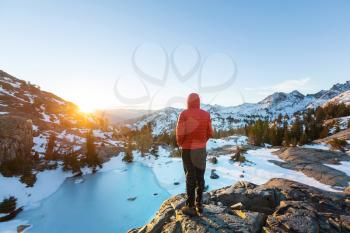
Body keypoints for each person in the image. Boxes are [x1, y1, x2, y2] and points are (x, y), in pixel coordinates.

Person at [176, 93, 213, 216]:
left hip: (188, 150)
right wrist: (202, 142)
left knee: (190, 176)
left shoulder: (184, 114)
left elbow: (180, 134)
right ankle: (199, 204)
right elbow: (210, 133)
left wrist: (182, 144)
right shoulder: (206, 114)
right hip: (201, 150)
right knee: (200, 176)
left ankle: (190, 206)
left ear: (188, 102)